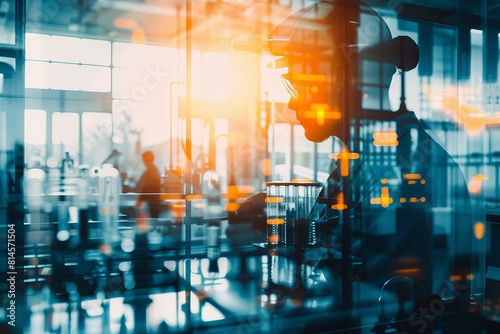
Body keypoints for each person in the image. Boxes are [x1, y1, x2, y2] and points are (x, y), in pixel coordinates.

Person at [267, 0, 473, 330]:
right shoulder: (361, 162)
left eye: (302, 82)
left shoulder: (409, 171)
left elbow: (372, 311)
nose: (293, 100)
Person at [135, 150, 162, 220]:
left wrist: (140, 200)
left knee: (152, 222)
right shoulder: (152, 170)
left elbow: (148, 188)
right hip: (152, 202)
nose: (143, 162)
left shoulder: (151, 172)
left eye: (143, 159)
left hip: (153, 203)